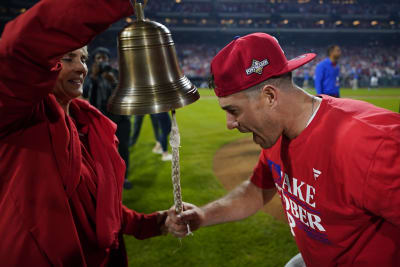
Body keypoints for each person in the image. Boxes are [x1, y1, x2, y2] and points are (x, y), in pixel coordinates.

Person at [166, 33, 400, 266]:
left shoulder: (372, 143)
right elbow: (256, 190)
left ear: (269, 96)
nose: (229, 123)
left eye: (234, 110)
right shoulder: (276, 134)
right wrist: (203, 216)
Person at [0, 0, 176, 265]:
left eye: (83, 58)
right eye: (67, 58)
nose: (81, 67)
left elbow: (101, 208)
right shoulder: (15, 115)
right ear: (46, 62)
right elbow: (20, 47)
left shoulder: (91, 125)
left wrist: (155, 223)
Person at [83, 46, 133, 189]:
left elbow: (126, 94)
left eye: (104, 58)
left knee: (123, 149)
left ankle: (124, 178)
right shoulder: (90, 76)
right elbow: (85, 93)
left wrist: (113, 82)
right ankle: (104, 179)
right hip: (101, 120)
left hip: (120, 119)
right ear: (94, 61)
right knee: (102, 151)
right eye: (98, 58)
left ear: (108, 60)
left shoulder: (116, 73)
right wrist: (92, 77)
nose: (102, 61)